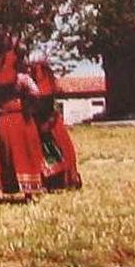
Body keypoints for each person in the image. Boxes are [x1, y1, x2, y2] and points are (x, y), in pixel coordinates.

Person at [0, 37, 48, 201]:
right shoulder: (21, 78)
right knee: (25, 153)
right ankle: (29, 191)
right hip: (21, 119)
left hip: (3, 120)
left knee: (2, 155)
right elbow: (36, 92)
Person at [28, 57, 83, 191]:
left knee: (53, 153)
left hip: (48, 124)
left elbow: (43, 100)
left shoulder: (44, 84)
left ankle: (57, 181)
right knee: (51, 153)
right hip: (44, 124)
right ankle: (53, 181)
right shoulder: (42, 83)